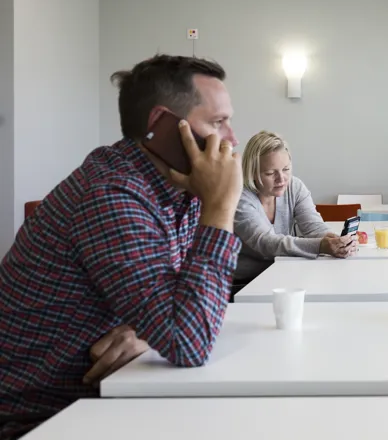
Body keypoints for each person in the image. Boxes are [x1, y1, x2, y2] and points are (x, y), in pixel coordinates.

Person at [0, 55, 244, 439]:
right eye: (218, 122)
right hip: (41, 419)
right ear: (161, 124)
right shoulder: (112, 195)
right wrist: (220, 207)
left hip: (107, 397)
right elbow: (189, 342)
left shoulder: (176, 188)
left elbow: (185, 311)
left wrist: (147, 331)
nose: (231, 139)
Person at [232, 131, 357, 287]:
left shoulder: (294, 187)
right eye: (270, 173)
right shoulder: (240, 198)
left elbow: (314, 227)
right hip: (245, 283)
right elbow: (266, 243)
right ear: (253, 173)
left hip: (283, 272)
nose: (281, 179)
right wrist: (321, 245)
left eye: (286, 169)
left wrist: (336, 240)